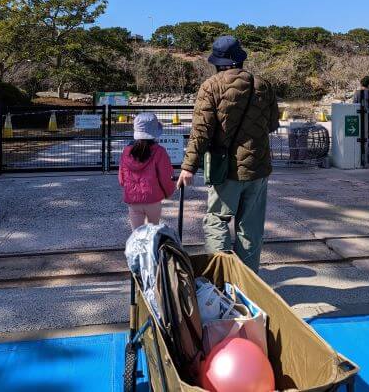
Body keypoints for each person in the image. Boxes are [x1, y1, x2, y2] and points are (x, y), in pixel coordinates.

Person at [177, 35, 279, 272]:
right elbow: (272, 124)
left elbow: (201, 132)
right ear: (240, 59)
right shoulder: (262, 85)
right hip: (258, 167)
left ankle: (222, 280)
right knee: (251, 227)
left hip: (227, 170)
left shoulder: (211, 86)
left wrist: (188, 166)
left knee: (217, 221)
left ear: (217, 62)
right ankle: (249, 283)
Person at [119, 112, 175, 230]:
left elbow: (121, 177)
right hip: (153, 198)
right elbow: (165, 176)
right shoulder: (160, 151)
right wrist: (168, 192)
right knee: (153, 233)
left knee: (137, 235)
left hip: (133, 199)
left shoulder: (126, 151)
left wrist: (128, 188)